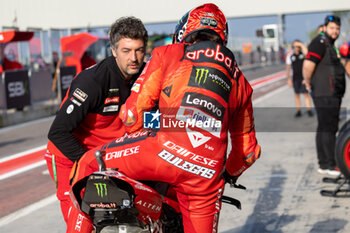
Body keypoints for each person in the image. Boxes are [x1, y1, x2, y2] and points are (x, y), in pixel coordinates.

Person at [67, 3, 261, 233]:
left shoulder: (168, 53)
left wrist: (153, 126)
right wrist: (226, 174)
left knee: (88, 165)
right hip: (205, 175)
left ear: (183, 32)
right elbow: (248, 153)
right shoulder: (241, 82)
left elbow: (132, 116)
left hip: (160, 154)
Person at [45, 16, 148, 224]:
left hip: (110, 156)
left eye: (139, 50)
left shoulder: (148, 75)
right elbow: (58, 133)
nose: (134, 58)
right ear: (113, 51)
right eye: (126, 51)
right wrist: (92, 165)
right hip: (71, 157)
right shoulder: (92, 81)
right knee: (83, 221)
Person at [302, 15, 345, 176]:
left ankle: (324, 163)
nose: (335, 31)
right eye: (332, 28)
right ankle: (330, 164)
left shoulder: (328, 43)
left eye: (337, 29)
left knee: (324, 127)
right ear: (325, 27)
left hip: (330, 93)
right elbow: (308, 65)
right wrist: (307, 83)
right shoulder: (319, 43)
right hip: (325, 93)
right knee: (329, 128)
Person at [286, 40, 313, 117]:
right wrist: (288, 79)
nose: (297, 48)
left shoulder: (304, 54)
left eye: (298, 46)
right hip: (295, 78)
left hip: (303, 78)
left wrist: (301, 45)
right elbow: (288, 68)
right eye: (295, 46)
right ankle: (299, 110)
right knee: (297, 95)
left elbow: (308, 54)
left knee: (306, 94)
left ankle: (309, 110)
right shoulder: (290, 56)